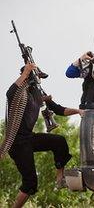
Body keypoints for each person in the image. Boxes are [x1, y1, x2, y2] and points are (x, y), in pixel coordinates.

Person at [0, 63, 83, 208]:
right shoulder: (20, 92)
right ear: (30, 77)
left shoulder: (38, 94)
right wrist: (26, 72)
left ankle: (60, 178)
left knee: (59, 142)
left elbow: (58, 109)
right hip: (17, 142)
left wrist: (78, 111)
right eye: (38, 76)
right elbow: (9, 93)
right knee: (30, 184)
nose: (40, 80)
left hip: (29, 138)